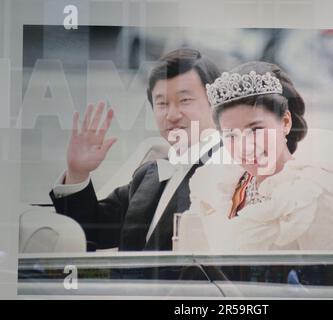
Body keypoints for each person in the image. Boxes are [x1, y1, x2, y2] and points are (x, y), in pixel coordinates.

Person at [49, 48, 221, 251]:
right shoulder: (148, 175)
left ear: (216, 104)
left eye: (185, 100)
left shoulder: (230, 170)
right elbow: (90, 231)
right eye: (162, 103)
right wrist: (77, 173)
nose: (172, 114)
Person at [182, 61, 333, 251]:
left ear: (286, 122)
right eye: (231, 135)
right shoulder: (222, 186)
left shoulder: (314, 195)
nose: (245, 146)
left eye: (255, 129)